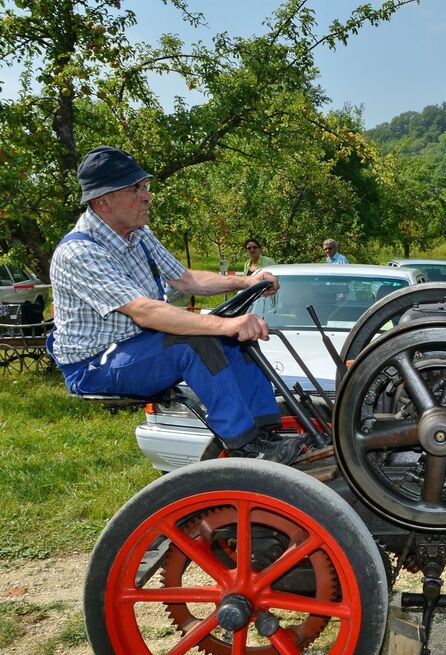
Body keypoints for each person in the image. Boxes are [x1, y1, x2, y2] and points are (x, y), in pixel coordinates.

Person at [49, 145, 301, 464]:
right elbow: (144, 311)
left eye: (145, 186)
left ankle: (266, 432)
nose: (147, 196)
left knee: (237, 340)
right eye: (136, 189)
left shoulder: (138, 233)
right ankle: (245, 446)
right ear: (104, 201)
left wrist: (246, 281)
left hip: (137, 345)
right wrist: (222, 323)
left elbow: (185, 280)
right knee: (194, 343)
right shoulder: (80, 253)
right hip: (95, 364)